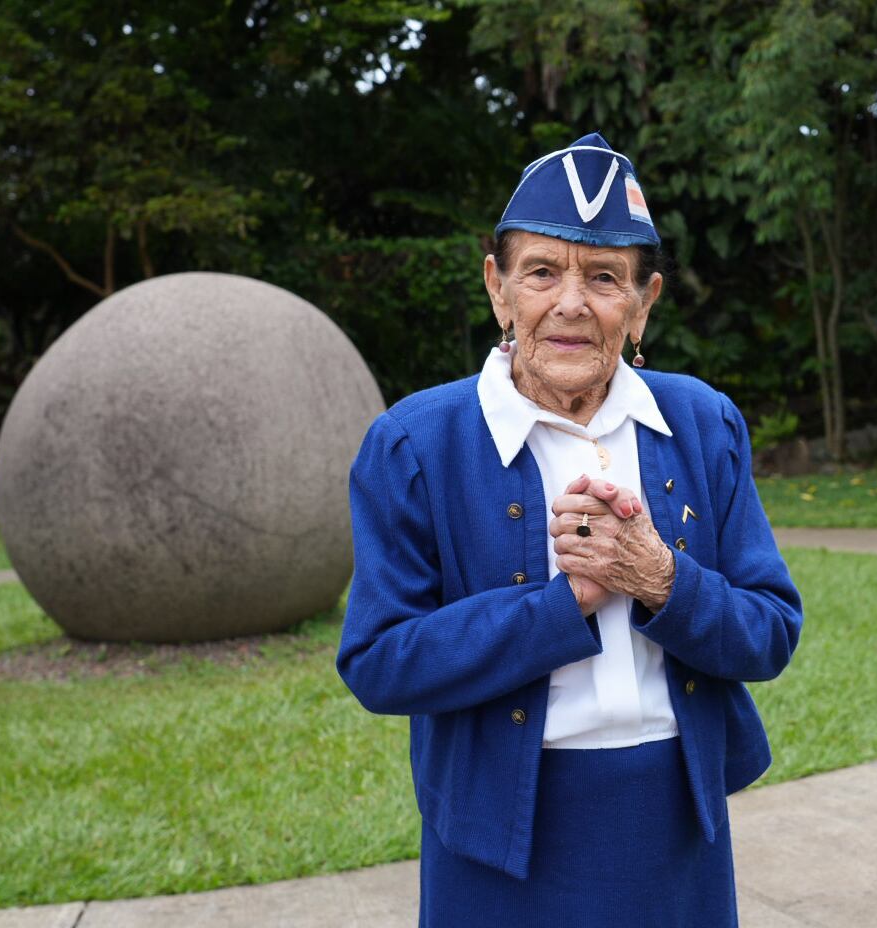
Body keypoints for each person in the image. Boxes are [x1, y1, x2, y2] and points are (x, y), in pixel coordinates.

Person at [337, 131, 803, 927]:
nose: (572, 303)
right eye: (542, 271)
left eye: (604, 277)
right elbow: (380, 664)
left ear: (644, 301)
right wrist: (565, 605)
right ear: (498, 289)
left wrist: (660, 578)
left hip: (674, 828)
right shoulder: (416, 443)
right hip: (496, 844)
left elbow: (770, 633)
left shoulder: (703, 423)